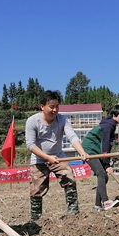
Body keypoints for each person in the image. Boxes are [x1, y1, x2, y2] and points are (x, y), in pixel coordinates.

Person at [25, 90, 87, 223]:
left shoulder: (63, 119)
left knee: (69, 179)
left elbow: (72, 136)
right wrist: (47, 158)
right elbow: (30, 145)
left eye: (57, 106)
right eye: (51, 107)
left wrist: (81, 152)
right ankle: (36, 221)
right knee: (36, 189)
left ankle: (73, 215)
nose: (55, 110)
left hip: (59, 157)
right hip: (39, 159)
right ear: (42, 106)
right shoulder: (32, 121)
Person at [82, 105, 119, 211]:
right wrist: (106, 163)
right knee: (101, 173)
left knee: (104, 177)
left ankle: (97, 206)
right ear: (114, 115)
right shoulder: (108, 126)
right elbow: (105, 145)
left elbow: (107, 146)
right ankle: (106, 201)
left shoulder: (111, 125)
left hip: (96, 150)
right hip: (89, 150)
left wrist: (107, 163)